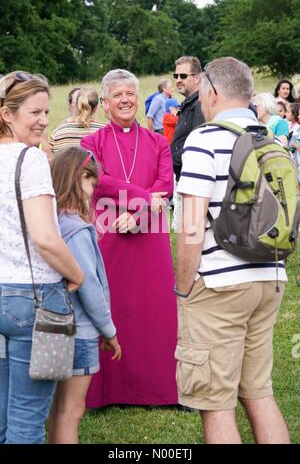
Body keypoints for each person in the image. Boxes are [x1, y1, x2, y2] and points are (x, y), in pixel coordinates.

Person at [175, 57, 290, 444]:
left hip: (219, 286)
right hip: (270, 276)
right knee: (259, 393)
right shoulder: (273, 141)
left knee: (216, 402)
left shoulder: (204, 140)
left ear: (211, 92)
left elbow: (191, 225)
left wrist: (184, 288)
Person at [81, 69, 178, 408]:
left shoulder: (157, 142)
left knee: (153, 312)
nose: (125, 100)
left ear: (138, 98)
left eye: (130, 94)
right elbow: (98, 182)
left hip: (149, 237)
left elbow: (164, 188)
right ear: (105, 103)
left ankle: (158, 390)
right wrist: (141, 197)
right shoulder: (91, 143)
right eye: (117, 95)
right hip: (109, 236)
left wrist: (137, 213)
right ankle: (110, 392)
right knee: (113, 306)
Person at [0, 71, 84, 444]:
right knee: (27, 423)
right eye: (34, 112)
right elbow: (46, 237)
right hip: (33, 300)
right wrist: (76, 273)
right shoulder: (30, 160)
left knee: (3, 417)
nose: (43, 121)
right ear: (7, 113)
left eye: (46, 112)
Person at [47, 147, 121, 443]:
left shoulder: (54, 224)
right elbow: (89, 284)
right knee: (72, 411)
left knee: (57, 409)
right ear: (79, 179)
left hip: (57, 327)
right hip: (81, 331)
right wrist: (109, 330)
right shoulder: (76, 230)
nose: (93, 191)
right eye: (91, 182)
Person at [171, 56, 205, 231]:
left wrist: (169, 159)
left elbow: (197, 144)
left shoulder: (200, 105)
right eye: (175, 76)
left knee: (192, 236)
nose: (178, 80)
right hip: (183, 178)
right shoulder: (188, 104)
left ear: (197, 77)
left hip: (195, 181)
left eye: (183, 76)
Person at [49, 88, 105, 154]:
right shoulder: (106, 132)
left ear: (76, 105)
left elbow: (51, 160)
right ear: (96, 107)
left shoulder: (58, 132)